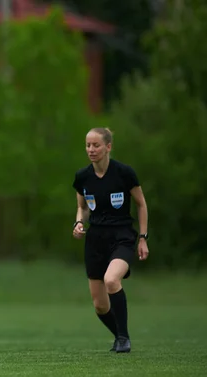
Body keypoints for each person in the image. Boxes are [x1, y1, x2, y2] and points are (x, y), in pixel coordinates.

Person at [71, 127, 149, 353]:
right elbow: (82, 208)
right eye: (88, 145)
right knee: (99, 304)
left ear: (108, 147)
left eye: (96, 145)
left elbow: (141, 204)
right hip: (96, 240)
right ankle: (120, 336)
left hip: (122, 236)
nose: (91, 150)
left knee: (111, 280)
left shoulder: (124, 173)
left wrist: (143, 238)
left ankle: (123, 338)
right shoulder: (82, 177)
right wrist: (78, 223)